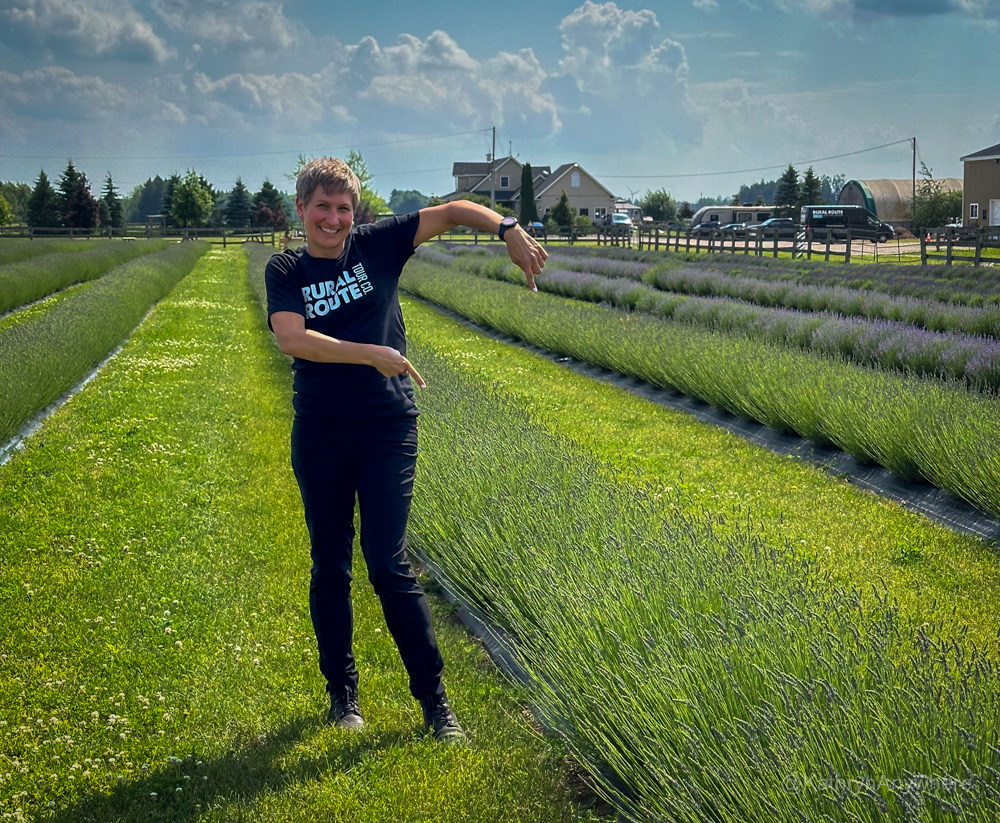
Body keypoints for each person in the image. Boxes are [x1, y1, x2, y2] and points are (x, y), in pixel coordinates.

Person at [264, 157, 546, 742]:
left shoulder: (377, 244)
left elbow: (449, 212)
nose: (334, 219)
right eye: (322, 207)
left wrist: (507, 228)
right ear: (302, 209)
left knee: (388, 563)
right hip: (321, 431)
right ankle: (343, 697)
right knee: (330, 565)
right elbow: (293, 338)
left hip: (388, 427)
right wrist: (370, 353)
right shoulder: (286, 268)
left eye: (343, 208)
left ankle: (436, 704)